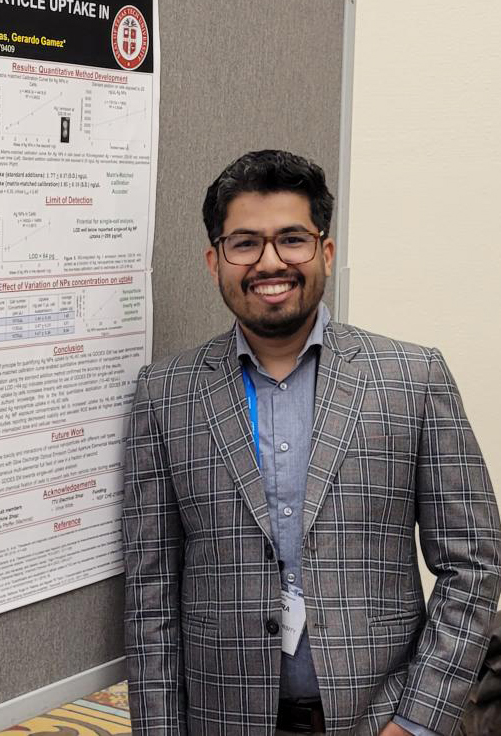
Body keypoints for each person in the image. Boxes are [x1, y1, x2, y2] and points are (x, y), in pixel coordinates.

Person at [123, 150, 500, 735]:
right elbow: (151, 592)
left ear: (325, 251)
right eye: (245, 243)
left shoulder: (413, 378)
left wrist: (417, 722)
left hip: (378, 718)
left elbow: (473, 563)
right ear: (215, 260)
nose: (270, 262)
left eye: (292, 239)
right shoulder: (165, 393)